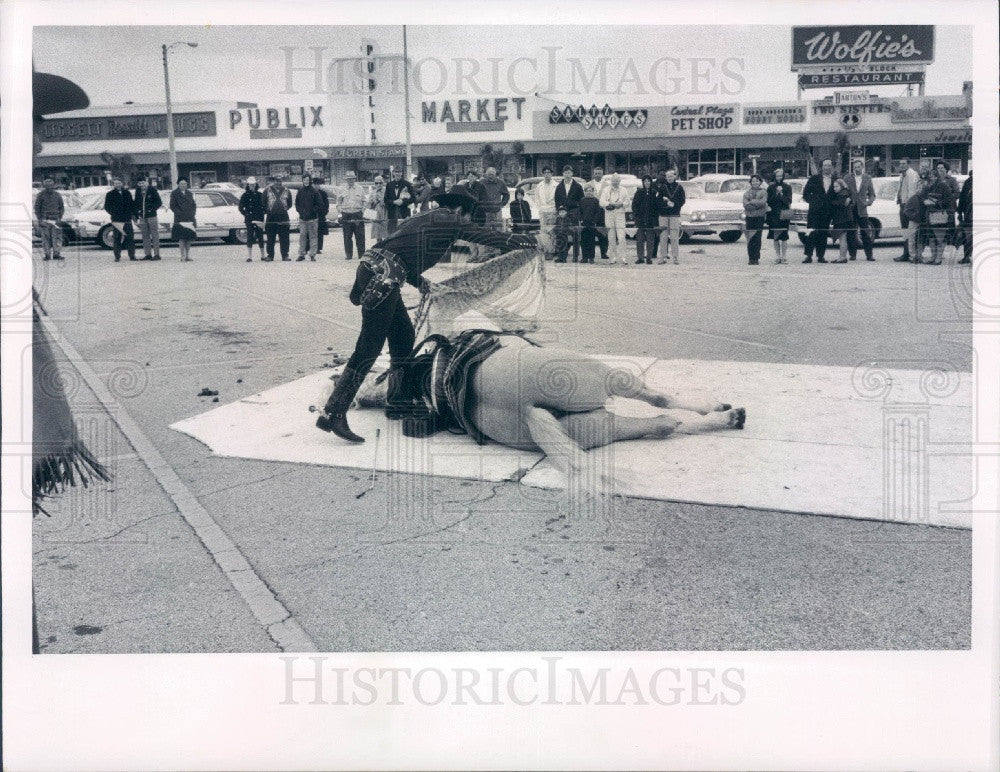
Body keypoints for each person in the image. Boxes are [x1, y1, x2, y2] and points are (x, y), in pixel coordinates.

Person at [337, 328, 746, 490]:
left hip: (476, 415)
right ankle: (693, 406)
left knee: (629, 426)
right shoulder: (422, 358)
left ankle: (672, 422)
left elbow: (376, 394)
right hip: (493, 365)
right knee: (612, 383)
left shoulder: (397, 390)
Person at [314, 191, 537, 443]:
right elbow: (486, 236)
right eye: (468, 217)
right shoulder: (451, 219)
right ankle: (334, 411)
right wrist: (527, 240)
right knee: (369, 345)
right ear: (461, 211)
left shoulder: (424, 216)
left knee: (403, 335)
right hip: (384, 278)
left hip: (377, 271)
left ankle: (397, 401)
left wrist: (420, 282)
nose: (467, 221)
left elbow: (399, 251)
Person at [801, 158, 836, 264]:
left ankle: (821, 256)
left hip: (827, 212)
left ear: (832, 167)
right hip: (814, 211)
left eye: (829, 165)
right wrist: (813, 202)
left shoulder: (836, 179)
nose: (827, 167)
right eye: (825, 165)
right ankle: (808, 256)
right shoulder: (814, 179)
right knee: (811, 232)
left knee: (823, 233)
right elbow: (806, 194)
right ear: (821, 167)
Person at [921, 167, 956, 265]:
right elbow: (922, 196)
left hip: (940, 214)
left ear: (937, 177)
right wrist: (924, 200)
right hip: (930, 214)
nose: (932, 178)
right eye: (930, 176)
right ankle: (933, 257)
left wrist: (935, 203)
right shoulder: (927, 186)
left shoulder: (944, 186)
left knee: (940, 237)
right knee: (931, 237)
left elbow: (949, 201)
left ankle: (938, 258)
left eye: (934, 176)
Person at [845, 159, 876, 261]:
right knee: (851, 233)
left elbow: (872, 194)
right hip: (851, 208)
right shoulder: (847, 178)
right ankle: (852, 254)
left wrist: (868, 202)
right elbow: (844, 191)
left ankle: (869, 255)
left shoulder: (867, 178)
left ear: (862, 167)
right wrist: (846, 199)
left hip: (862, 209)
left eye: (858, 167)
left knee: (865, 233)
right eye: (855, 167)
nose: (857, 169)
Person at [653, 168, 685, 265]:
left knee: (674, 237)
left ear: (675, 176)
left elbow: (683, 200)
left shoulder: (679, 187)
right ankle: (663, 257)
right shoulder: (662, 187)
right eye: (668, 176)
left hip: (674, 215)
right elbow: (657, 201)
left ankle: (675, 257)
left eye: (671, 176)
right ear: (666, 177)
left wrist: (675, 204)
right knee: (663, 236)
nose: (669, 178)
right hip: (663, 215)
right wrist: (664, 203)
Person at [553, 165, 584, 263]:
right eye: (565, 173)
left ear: (572, 174)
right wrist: (560, 211)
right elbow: (557, 200)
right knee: (561, 235)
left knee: (575, 235)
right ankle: (562, 257)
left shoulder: (578, 186)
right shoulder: (559, 187)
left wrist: (577, 211)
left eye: (569, 173)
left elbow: (581, 200)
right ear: (563, 174)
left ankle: (575, 256)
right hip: (562, 214)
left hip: (574, 213)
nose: (567, 175)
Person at [599, 173, 629, 265]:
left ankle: (624, 257)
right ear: (611, 181)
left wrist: (621, 204)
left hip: (620, 215)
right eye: (614, 181)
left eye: (617, 181)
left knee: (621, 237)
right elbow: (601, 202)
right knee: (611, 237)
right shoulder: (606, 190)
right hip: (609, 214)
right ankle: (613, 257)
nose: (615, 183)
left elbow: (627, 202)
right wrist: (609, 204)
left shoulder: (624, 190)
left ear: (619, 181)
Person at [104, 177, 136, 261]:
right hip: (117, 219)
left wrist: (133, 214)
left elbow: (132, 205)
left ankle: (132, 256)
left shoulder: (127, 193)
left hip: (127, 219)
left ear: (121, 184)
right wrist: (113, 213)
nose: (117, 184)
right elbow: (107, 207)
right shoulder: (110, 194)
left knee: (130, 238)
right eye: (115, 183)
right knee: (117, 238)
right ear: (113, 185)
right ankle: (117, 256)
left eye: (119, 183)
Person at [337, 170, 367, 260]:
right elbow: (338, 202)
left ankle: (361, 255)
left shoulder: (360, 188)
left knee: (360, 236)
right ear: (346, 180)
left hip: (357, 214)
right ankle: (348, 255)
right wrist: (340, 211)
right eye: (348, 179)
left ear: (354, 179)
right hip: (346, 215)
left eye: (352, 179)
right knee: (347, 236)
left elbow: (364, 201)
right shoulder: (341, 189)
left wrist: (362, 211)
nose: (350, 180)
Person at [828, 178, 859, 264]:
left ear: (841, 186)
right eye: (834, 187)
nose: (835, 188)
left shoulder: (842, 194)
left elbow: (840, 204)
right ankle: (842, 256)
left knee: (842, 238)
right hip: (845, 219)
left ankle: (842, 257)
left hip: (842, 220)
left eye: (837, 186)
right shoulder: (846, 193)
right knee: (843, 238)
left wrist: (831, 202)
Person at [34, 176, 65, 261]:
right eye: (47, 187)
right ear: (45, 187)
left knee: (57, 237)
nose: (49, 188)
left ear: (53, 186)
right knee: (45, 238)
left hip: (56, 219)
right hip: (45, 219)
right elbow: (37, 208)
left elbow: (61, 207)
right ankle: (47, 255)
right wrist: (40, 219)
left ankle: (56, 254)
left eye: (51, 186)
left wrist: (59, 217)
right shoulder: (40, 195)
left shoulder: (57, 195)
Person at [765, 168, 792, 264]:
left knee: (784, 236)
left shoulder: (787, 187)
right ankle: (778, 256)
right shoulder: (771, 187)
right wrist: (776, 193)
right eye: (777, 176)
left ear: (783, 176)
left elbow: (788, 201)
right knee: (775, 236)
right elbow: (769, 201)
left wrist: (781, 194)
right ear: (774, 177)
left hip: (784, 214)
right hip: (773, 214)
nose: (779, 178)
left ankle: (784, 256)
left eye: (780, 176)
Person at [263, 175, 293, 261]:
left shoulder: (287, 191)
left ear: (282, 181)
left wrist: (283, 209)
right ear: (273, 181)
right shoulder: (267, 190)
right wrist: (269, 211)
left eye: (279, 181)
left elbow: (290, 204)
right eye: (276, 181)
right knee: (270, 238)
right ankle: (270, 255)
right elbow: (263, 202)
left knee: (285, 238)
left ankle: (285, 255)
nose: (278, 182)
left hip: (283, 216)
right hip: (271, 217)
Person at [132, 177, 162, 261]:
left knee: (154, 235)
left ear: (146, 182)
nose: (142, 185)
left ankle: (157, 254)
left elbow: (159, 202)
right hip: (142, 217)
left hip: (152, 216)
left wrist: (151, 209)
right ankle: (148, 254)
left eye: (143, 183)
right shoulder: (138, 191)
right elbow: (136, 203)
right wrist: (137, 214)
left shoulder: (152, 190)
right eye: (140, 183)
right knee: (145, 236)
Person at [294, 173, 323, 261]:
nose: (306, 181)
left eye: (308, 180)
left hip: (312, 219)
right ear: (302, 181)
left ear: (310, 181)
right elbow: (297, 203)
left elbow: (320, 204)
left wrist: (312, 211)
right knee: (302, 236)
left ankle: (312, 254)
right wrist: (300, 211)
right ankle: (301, 254)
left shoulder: (314, 191)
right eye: (304, 180)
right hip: (302, 219)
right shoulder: (300, 190)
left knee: (313, 236)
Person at [631, 175, 658, 265]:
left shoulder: (654, 193)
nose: (647, 183)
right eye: (645, 181)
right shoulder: (639, 192)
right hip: (640, 220)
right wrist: (637, 216)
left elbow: (657, 206)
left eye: (649, 181)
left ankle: (649, 258)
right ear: (643, 182)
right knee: (640, 240)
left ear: (651, 182)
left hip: (651, 220)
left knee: (650, 240)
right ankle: (641, 258)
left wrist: (655, 218)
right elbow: (634, 206)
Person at [168, 177, 197, 261]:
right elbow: (172, 206)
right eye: (181, 184)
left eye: (185, 184)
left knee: (189, 238)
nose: (183, 185)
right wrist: (180, 213)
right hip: (179, 218)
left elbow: (194, 205)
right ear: (178, 184)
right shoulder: (174, 193)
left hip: (190, 218)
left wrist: (193, 213)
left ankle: (188, 255)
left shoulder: (189, 193)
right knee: (181, 238)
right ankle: (182, 255)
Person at [238, 177, 266, 262]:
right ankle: (250, 256)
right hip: (249, 219)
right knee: (249, 236)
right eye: (250, 185)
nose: (252, 186)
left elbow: (264, 207)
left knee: (260, 236)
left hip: (258, 218)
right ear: (248, 185)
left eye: (253, 185)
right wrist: (246, 214)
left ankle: (263, 255)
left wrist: (262, 214)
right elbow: (240, 207)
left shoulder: (260, 195)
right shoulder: (245, 195)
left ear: (256, 185)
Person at [742, 174, 767, 265]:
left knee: (757, 238)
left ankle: (756, 257)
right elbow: (746, 205)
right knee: (750, 237)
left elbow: (763, 203)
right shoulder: (747, 193)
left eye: (757, 181)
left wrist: (752, 201)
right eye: (753, 181)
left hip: (759, 218)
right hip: (750, 218)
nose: (755, 182)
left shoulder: (763, 192)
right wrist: (756, 205)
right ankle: (750, 257)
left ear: (760, 182)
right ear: (750, 183)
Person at [534, 166, 558, 258]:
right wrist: (540, 208)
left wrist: (555, 209)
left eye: (549, 172)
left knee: (551, 231)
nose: (547, 174)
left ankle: (551, 251)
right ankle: (546, 250)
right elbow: (536, 199)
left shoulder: (556, 185)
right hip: (543, 210)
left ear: (552, 174)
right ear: (543, 174)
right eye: (545, 173)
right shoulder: (539, 186)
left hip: (552, 210)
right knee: (543, 232)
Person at [383, 168, 415, 234]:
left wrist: (403, 202)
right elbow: (385, 199)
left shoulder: (407, 184)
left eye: (399, 172)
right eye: (396, 172)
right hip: (392, 212)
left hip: (404, 211)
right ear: (393, 173)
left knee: (404, 231)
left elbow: (413, 198)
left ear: (402, 173)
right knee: (392, 232)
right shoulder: (389, 185)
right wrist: (393, 202)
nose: (397, 173)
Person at [589, 166, 610, 259]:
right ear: (594, 174)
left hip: (603, 212)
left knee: (603, 233)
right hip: (591, 212)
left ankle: (604, 253)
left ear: (602, 174)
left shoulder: (607, 185)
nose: (597, 175)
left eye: (599, 173)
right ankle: (591, 254)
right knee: (591, 232)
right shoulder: (588, 184)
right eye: (596, 173)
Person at [578, 183, 601, 263]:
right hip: (584, 223)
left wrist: (595, 221)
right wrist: (580, 220)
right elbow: (579, 211)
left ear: (593, 192)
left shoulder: (596, 201)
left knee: (591, 241)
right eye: (587, 191)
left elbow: (598, 212)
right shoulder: (582, 200)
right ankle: (584, 257)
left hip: (592, 223)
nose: (589, 192)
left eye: (590, 191)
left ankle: (591, 257)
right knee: (584, 241)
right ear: (584, 192)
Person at [957, 170, 972, 265]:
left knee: (969, 237)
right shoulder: (968, 182)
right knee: (968, 237)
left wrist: (959, 212)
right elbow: (962, 197)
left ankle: (967, 257)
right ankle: (966, 257)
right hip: (968, 215)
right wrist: (959, 212)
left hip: (970, 214)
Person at [368, 175, 388, 244]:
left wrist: (384, 202)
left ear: (383, 183)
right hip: (376, 214)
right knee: (377, 235)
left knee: (386, 234)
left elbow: (391, 203)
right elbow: (369, 206)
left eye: (380, 183)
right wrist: (373, 202)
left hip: (385, 213)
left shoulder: (386, 191)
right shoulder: (373, 192)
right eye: (376, 183)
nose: (378, 185)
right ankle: (379, 247)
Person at [316, 183, 331, 255]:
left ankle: (318, 248)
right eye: (314, 184)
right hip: (310, 215)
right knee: (309, 232)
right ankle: (308, 248)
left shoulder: (323, 193)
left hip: (321, 216)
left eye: (317, 184)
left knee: (320, 233)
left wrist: (324, 213)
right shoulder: (309, 192)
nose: (316, 186)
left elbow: (326, 204)